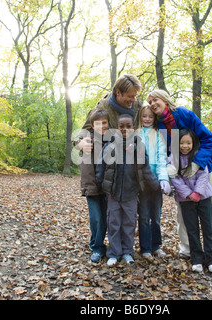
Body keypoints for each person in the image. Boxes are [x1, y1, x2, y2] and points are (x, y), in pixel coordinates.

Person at [147, 89, 212, 273]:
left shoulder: (184, 114)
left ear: (165, 99)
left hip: (201, 167)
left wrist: (197, 164)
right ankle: (187, 249)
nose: (152, 104)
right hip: (178, 171)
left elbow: (208, 139)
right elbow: (164, 150)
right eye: (149, 102)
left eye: (155, 99)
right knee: (183, 209)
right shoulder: (159, 125)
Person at [96, 114, 160, 266]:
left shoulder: (138, 146)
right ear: (117, 128)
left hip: (131, 194)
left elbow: (145, 169)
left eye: (128, 126)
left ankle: (127, 252)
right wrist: (100, 184)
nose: (125, 129)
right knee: (114, 224)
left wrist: (156, 185)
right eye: (121, 126)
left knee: (129, 224)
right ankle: (114, 253)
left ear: (133, 128)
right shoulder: (109, 146)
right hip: (113, 194)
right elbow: (101, 167)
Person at [168, 129, 212, 273]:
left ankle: (211, 260)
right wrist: (189, 193)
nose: (185, 146)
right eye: (182, 143)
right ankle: (196, 259)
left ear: (193, 143)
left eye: (188, 143)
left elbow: (203, 174)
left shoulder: (198, 156)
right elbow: (175, 179)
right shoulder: (173, 159)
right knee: (192, 229)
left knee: (208, 228)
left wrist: (198, 192)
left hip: (204, 197)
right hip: (185, 200)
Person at [74, 74, 143, 155]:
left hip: (132, 150)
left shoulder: (139, 106)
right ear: (118, 92)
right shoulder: (102, 108)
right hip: (109, 154)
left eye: (135, 96)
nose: (134, 100)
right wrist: (80, 143)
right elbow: (83, 133)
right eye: (130, 96)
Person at [136, 104, 171, 259]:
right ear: (140, 117)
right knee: (143, 216)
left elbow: (161, 157)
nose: (147, 119)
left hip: (156, 182)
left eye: (150, 116)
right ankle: (145, 248)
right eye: (144, 116)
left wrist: (163, 178)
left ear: (154, 118)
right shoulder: (135, 134)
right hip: (141, 183)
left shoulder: (158, 134)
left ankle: (156, 245)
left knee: (155, 216)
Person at [78, 109, 110, 262]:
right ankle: (96, 247)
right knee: (95, 218)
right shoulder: (86, 139)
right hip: (91, 186)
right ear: (92, 125)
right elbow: (77, 143)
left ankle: (98, 243)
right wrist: (80, 144)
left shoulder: (111, 141)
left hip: (106, 187)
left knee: (104, 218)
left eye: (105, 123)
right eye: (98, 123)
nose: (102, 126)